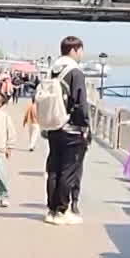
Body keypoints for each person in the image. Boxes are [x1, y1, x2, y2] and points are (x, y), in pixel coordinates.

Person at [38, 35, 91, 226]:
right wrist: (85, 126)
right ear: (74, 50)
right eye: (81, 50)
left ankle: (51, 210)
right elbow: (81, 103)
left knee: (54, 168)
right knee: (68, 171)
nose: (82, 54)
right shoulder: (75, 72)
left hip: (54, 126)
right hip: (72, 128)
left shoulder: (53, 70)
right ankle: (62, 210)